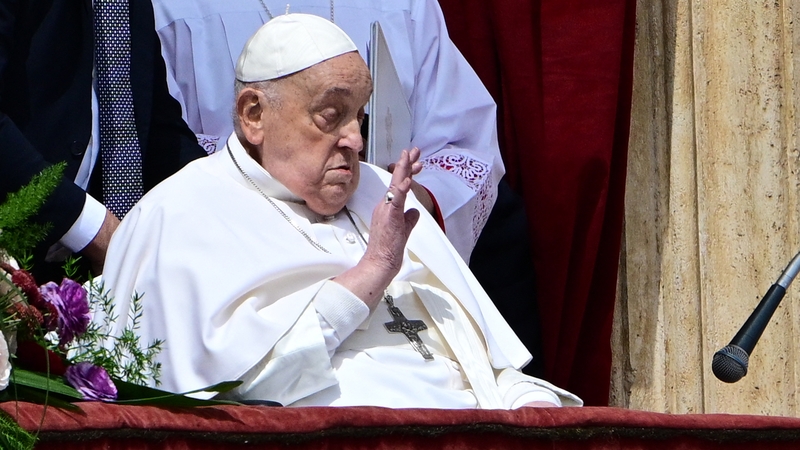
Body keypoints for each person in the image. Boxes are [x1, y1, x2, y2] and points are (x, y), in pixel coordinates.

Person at [100, 14, 580, 409]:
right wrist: (372, 272)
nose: (356, 139)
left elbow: (485, 360)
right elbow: (240, 389)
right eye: (331, 115)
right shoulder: (184, 212)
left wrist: (529, 406)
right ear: (253, 115)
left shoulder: (381, 190)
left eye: (360, 115)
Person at [151, 0, 502, 263]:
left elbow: (464, 142)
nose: (355, 139)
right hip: (246, 249)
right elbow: (162, 143)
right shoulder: (172, 8)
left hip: (391, 246)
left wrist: (406, 197)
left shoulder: (404, 5)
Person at [0, 0, 206, 279]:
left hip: (96, 266)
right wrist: (93, 228)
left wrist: (227, 197)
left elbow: (153, 125)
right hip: (18, 251)